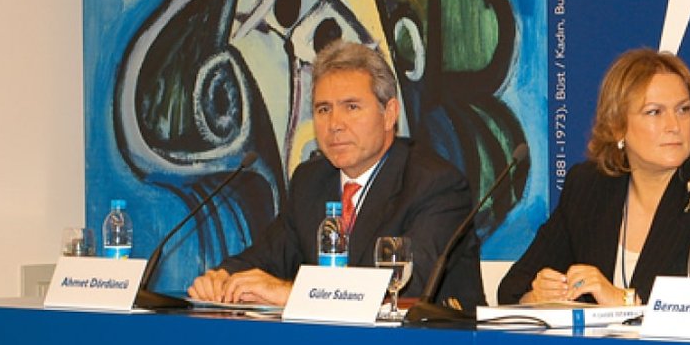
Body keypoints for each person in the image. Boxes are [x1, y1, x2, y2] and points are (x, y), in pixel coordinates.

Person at [188, 40, 480, 307]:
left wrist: (289, 293)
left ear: (389, 114)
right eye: (323, 109)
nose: (335, 124)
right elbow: (268, 256)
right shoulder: (311, 181)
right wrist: (222, 277)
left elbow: (403, 289)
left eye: (351, 107)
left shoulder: (435, 185)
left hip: (423, 344)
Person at [498, 49, 690, 305]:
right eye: (654, 112)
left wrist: (624, 300)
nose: (674, 126)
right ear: (617, 126)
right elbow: (512, 288)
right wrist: (538, 296)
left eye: (683, 109)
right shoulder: (588, 187)